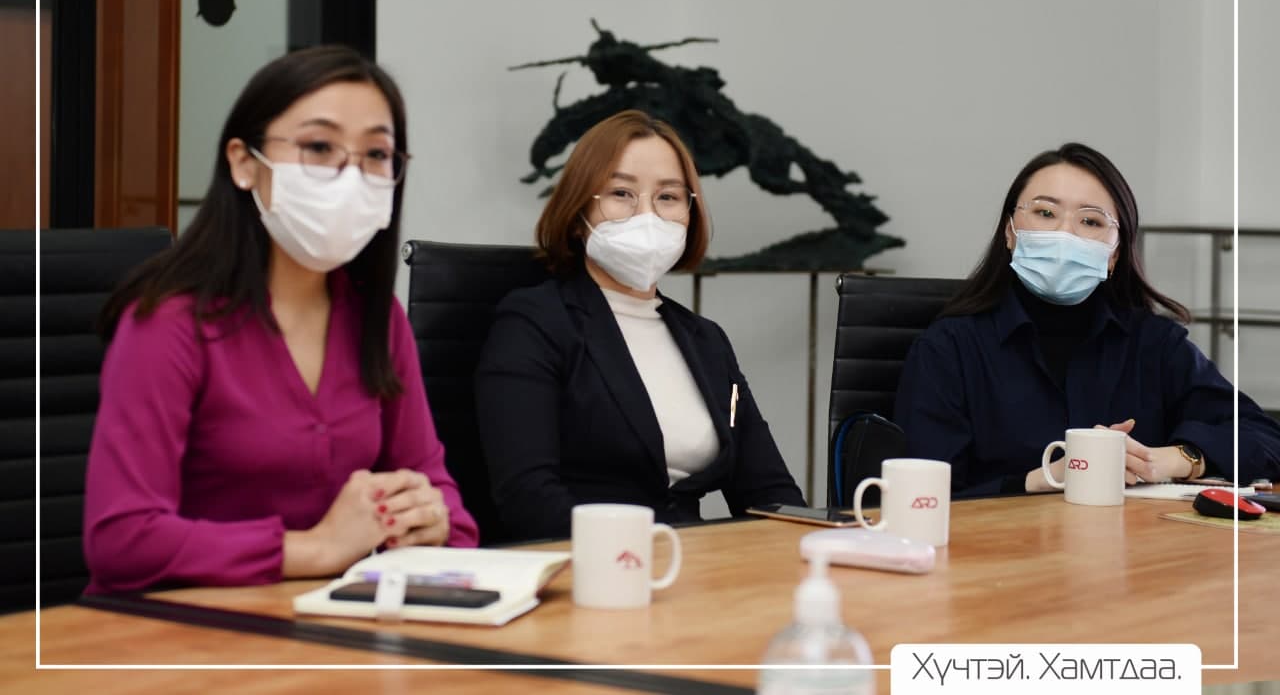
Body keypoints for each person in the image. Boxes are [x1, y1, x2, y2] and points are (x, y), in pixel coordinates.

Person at [84, 46, 478, 594]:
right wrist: (317, 548)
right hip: (174, 629)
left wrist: (431, 522)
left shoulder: (376, 317)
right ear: (244, 163)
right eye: (319, 147)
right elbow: (122, 539)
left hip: (327, 621)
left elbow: (446, 506)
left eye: (376, 154)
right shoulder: (169, 322)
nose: (351, 175)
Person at [475, 109, 804, 540]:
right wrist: (642, 556)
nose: (646, 215)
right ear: (577, 210)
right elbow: (527, 498)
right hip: (587, 562)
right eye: (621, 193)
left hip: (697, 564)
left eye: (668, 197)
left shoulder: (706, 340)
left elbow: (768, 490)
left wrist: (811, 546)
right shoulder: (535, 322)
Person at [895, 142, 1280, 497]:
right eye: (1046, 213)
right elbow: (921, 497)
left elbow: (1264, 438)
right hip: (1000, 547)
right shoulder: (949, 348)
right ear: (1010, 233)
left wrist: (1175, 459)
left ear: (1115, 254)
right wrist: (1047, 478)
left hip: (1131, 545)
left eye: (1091, 222)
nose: (1065, 234)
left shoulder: (1154, 343)